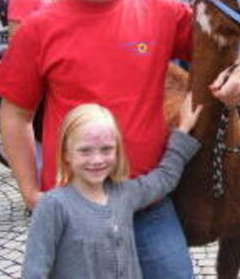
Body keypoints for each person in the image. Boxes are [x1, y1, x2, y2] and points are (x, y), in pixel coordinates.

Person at [0, 0, 240, 278]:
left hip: (148, 202)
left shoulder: (162, 14)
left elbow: (221, 47)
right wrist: (31, 192)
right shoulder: (38, 29)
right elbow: (14, 116)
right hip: (74, 209)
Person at [22, 95, 202, 278]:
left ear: (118, 151)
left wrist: (183, 129)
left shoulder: (125, 194)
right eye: (85, 151)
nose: (97, 160)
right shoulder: (53, 206)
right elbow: (34, 270)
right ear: (66, 154)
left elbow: (163, 179)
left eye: (106, 149)